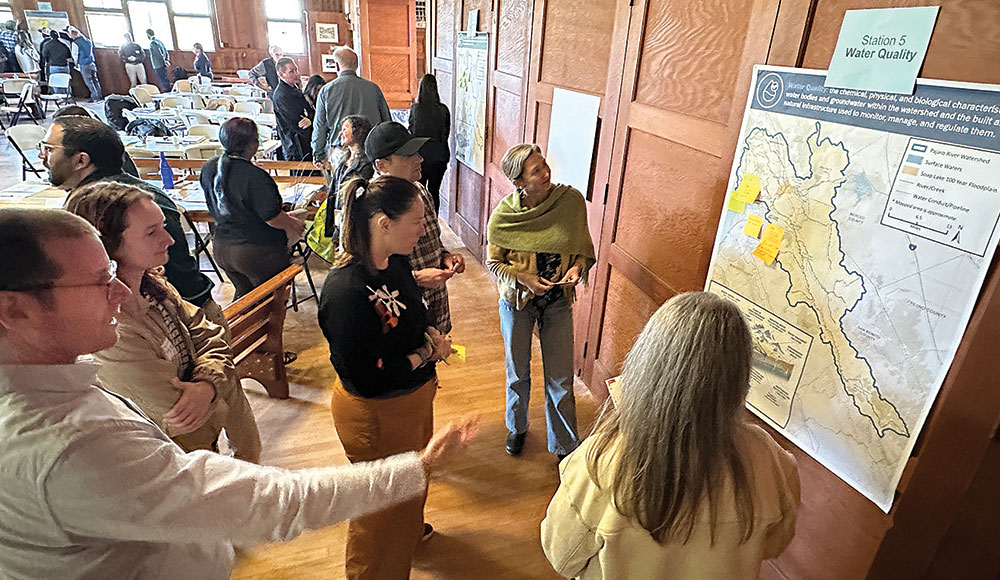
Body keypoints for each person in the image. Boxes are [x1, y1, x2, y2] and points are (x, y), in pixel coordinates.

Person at [0, 207, 477, 579]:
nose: (121, 293)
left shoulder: (62, 382)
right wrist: (417, 468)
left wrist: (207, 379)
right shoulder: (69, 447)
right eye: (98, 281)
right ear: (13, 309)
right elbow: (268, 502)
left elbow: (208, 334)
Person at [540, 292, 801, 580]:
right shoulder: (770, 458)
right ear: (738, 376)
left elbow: (560, 556)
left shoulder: (601, 460)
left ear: (646, 362)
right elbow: (775, 543)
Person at [318, 175, 455, 580]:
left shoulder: (396, 264)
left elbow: (413, 314)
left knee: (410, 487)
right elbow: (370, 376)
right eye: (416, 220)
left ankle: (409, 536)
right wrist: (427, 353)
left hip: (412, 400)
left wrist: (429, 332)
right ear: (383, 223)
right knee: (378, 510)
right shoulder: (344, 291)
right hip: (376, 415)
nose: (424, 228)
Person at [66, 182, 262, 462]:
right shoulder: (111, 332)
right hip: (176, 465)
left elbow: (212, 334)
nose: (169, 239)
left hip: (207, 458)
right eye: (151, 232)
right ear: (108, 245)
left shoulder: (153, 286)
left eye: (163, 226)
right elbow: (182, 419)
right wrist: (220, 384)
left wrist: (206, 385)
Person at [486, 144, 596, 459]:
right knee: (517, 372)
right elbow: (494, 263)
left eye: (544, 165)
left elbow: (582, 250)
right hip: (517, 302)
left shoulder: (570, 202)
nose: (546, 173)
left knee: (561, 377)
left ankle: (564, 445)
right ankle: (517, 428)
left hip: (558, 301)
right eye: (536, 171)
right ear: (518, 182)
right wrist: (524, 278)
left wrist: (576, 268)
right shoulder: (505, 215)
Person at [39, 116, 216, 311]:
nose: (41, 156)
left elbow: (177, 279)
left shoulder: (127, 204)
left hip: (176, 312)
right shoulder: (94, 199)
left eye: (48, 149)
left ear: (81, 160)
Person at [366, 121, 464, 333]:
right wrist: (417, 279)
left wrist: (445, 257)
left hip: (435, 300)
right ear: (381, 165)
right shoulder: (370, 207)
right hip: (401, 309)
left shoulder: (419, 191)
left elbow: (433, 240)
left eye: (416, 152)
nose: (419, 159)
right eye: (407, 155)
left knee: (435, 352)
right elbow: (367, 275)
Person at [200, 117, 305, 298]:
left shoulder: (211, 166)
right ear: (253, 144)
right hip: (255, 251)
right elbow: (272, 218)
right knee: (269, 303)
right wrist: (293, 223)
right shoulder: (255, 177)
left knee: (245, 296)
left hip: (222, 247)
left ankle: (235, 326)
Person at [312, 46, 391, 169]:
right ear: (356, 66)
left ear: (337, 66)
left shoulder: (326, 91)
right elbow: (386, 122)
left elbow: (320, 126)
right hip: (370, 150)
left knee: (344, 187)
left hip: (341, 152)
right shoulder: (374, 89)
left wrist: (318, 154)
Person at [408, 74, 451, 212]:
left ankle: (421, 223)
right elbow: (446, 133)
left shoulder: (416, 109)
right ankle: (434, 223)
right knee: (434, 192)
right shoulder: (443, 110)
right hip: (439, 156)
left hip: (420, 156)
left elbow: (411, 131)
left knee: (419, 192)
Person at [272, 57, 314, 164]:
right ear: (281, 75)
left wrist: (310, 118)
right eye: (291, 71)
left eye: (296, 70)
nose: (297, 74)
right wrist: (310, 119)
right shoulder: (282, 95)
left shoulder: (293, 88)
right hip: (296, 145)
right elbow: (298, 122)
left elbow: (309, 110)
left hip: (303, 142)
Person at [67, 27, 101, 102]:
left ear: (72, 34)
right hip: (91, 62)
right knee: (95, 80)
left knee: (89, 81)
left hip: (83, 64)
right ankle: (99, 96)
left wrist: (76, 64)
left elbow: (75, 55)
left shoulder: (75, 43)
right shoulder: (88, 41)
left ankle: (94, 97)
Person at [39, 29, 71, 95]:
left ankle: (59, 97)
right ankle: (67, 96)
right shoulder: (64, 45)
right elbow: (69, 56)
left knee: (56, 84)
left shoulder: (47, 45)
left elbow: (44, 55)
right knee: (65, 82)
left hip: (54, 66)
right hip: (65, 66)